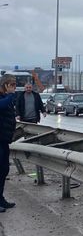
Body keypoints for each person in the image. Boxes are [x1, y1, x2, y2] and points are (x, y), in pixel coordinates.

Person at [0, 74, 18, 211]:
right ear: (5, 85)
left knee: (4, 169)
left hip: (4, 139)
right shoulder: (4, 98)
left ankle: (1, 199)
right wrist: (10, 95)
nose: (14, 87)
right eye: (12, 85)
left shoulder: (7, 98)